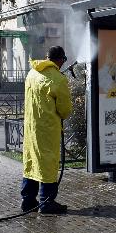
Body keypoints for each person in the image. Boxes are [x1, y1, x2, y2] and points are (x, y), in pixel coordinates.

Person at [21, 46, 72, 215]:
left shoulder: (32, 73)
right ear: (60, 60)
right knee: (48, 164)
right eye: (63, 61)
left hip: (31, 128)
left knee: (32, 161)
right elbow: (64, 110)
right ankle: (46, 202)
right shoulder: (58, 79)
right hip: (48, 129)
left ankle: (28, 201)